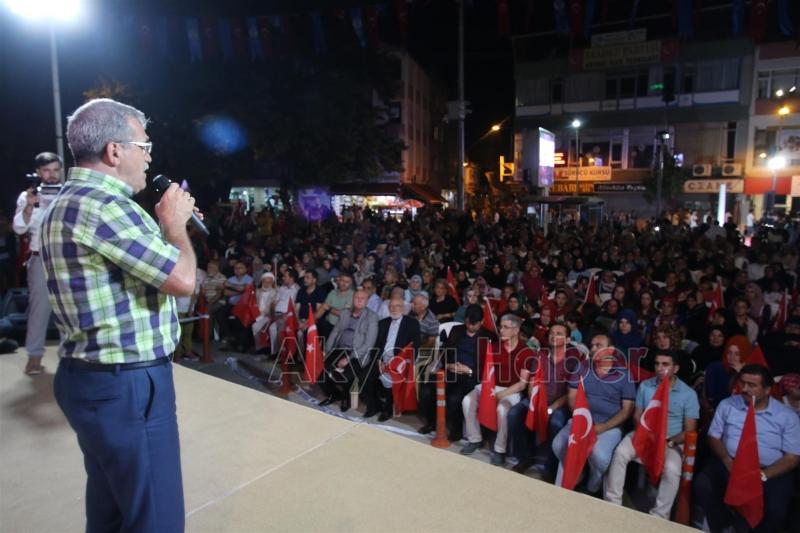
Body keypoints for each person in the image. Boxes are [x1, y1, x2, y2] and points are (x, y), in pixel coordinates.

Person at [41, 98, 196, 531]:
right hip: (127, 382)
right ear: (115, 151)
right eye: (144, 147)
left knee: (112, 511)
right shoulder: (106, 207)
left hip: (87, 376)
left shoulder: (67, 200)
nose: (149, 157)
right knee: (156, 518)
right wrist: (175, 225)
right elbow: (183, 279)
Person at [694, 364, 800, 533]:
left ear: (767, 389)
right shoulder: (728, 405)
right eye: (742, 383)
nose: (745, 389)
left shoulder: (787, 416)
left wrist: (764, 475)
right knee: (703, 485)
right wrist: (726, 460)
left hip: (769, 472)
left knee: (776, 511)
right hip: (731, 463)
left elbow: (792, 457)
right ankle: (723, 525)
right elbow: (713, 436)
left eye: (752, 385)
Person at [604, 351, 700, 519]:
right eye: (657, 364)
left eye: (665, 364)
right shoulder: (646, 386)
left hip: (671, 440)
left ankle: (659, 515)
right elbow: (636, 415)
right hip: (644, 434)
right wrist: (646, 436)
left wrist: (668, 442)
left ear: (675, 368)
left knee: (672, 469)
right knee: (620, 453)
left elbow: (689, 430)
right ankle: (612, 503)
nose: (659, 368)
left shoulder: (688, 394)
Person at [552, 336, 635, 494]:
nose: (593, 349)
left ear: (610, 350)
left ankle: (592, 485)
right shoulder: (582, 367)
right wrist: (584, 423)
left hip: (609, 426)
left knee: (599, 457)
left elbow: (627, 410)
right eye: (592, 345)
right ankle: (579, 475)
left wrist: (603, 427)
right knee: (558, 445)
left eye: (599, 345)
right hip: (581, 421)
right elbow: (572, 397)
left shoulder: (625, 374)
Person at [460, 314, 534, 465]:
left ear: (516, 330)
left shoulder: (526, 352)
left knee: (502, 410)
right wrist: (490, 392)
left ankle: (500, 449)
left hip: (512, 390)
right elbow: (486, 374)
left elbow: (522, 384)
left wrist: (501, 395)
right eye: (501, 326)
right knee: (467, 401)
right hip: (491, 386)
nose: (501, 330)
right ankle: (475, 439)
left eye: (506, 327)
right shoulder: (493, 347)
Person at [13, 151, 63, 375]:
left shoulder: (68, 193)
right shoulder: (28, 196)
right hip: (39, 258)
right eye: (46, 170)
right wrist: (29, 206)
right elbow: (18, 228)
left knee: (69, 309)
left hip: (66, 258)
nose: (51, 175)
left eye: (55, 170)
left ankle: (70, 357)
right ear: (38, 172)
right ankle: (34, 357)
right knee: (39, 309)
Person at [417, 304, 495, 439]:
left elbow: (490, 365)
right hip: (450, 370)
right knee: (426, 389)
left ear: (481, 322)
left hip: (471, 376)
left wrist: (469, 370)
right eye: (468, 323)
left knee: (454, 398)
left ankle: (456, 430)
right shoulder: (456, 330)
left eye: (473, 324)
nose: (469, 327)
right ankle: (431, 423)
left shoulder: (489, 337)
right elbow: (445, 350)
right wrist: (449, 364)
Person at [318, 289, 379, 412]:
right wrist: (326, 350)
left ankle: (346, 399)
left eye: (363, 298)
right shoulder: (345, 313)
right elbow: (335, 333)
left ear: (367, 301)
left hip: (358, 354)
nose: (359, 300)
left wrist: (349, 358)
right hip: (340, 349)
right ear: (353, 299)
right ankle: (334, 394)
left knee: (346, 375)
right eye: (357, 297)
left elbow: (369, 343)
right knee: (321, 375)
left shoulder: (372, 317)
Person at [361, 297, 421, 421]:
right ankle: (375, 406)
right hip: (382, 360)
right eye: (391, 307)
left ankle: (387, 409)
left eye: (397, 306)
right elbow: (376, 345)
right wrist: (379, 361)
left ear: (403, 308)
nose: (394, 309)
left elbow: (415, 348)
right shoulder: (383, 323)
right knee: (364, 376)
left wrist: (398, 363)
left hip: (400, 362)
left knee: (391, 379)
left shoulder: (412, 324)